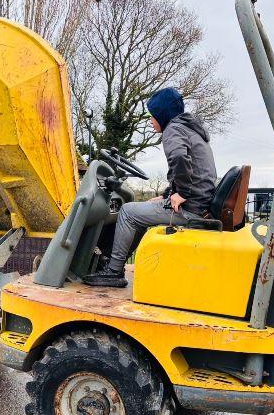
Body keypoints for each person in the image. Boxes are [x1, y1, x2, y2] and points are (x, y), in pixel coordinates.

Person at [84, 87, 218, 287]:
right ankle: (112, 262)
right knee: (138, 212)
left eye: (152, 115)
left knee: (128, 212)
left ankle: (113, 271)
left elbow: (179, 158)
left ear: (162, 114)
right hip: (200, 203)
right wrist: (167, 194)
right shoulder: (190, 129)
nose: (150, 119)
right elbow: (187, 169)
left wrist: (182, 193)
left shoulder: (173, 129)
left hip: (191, 208)